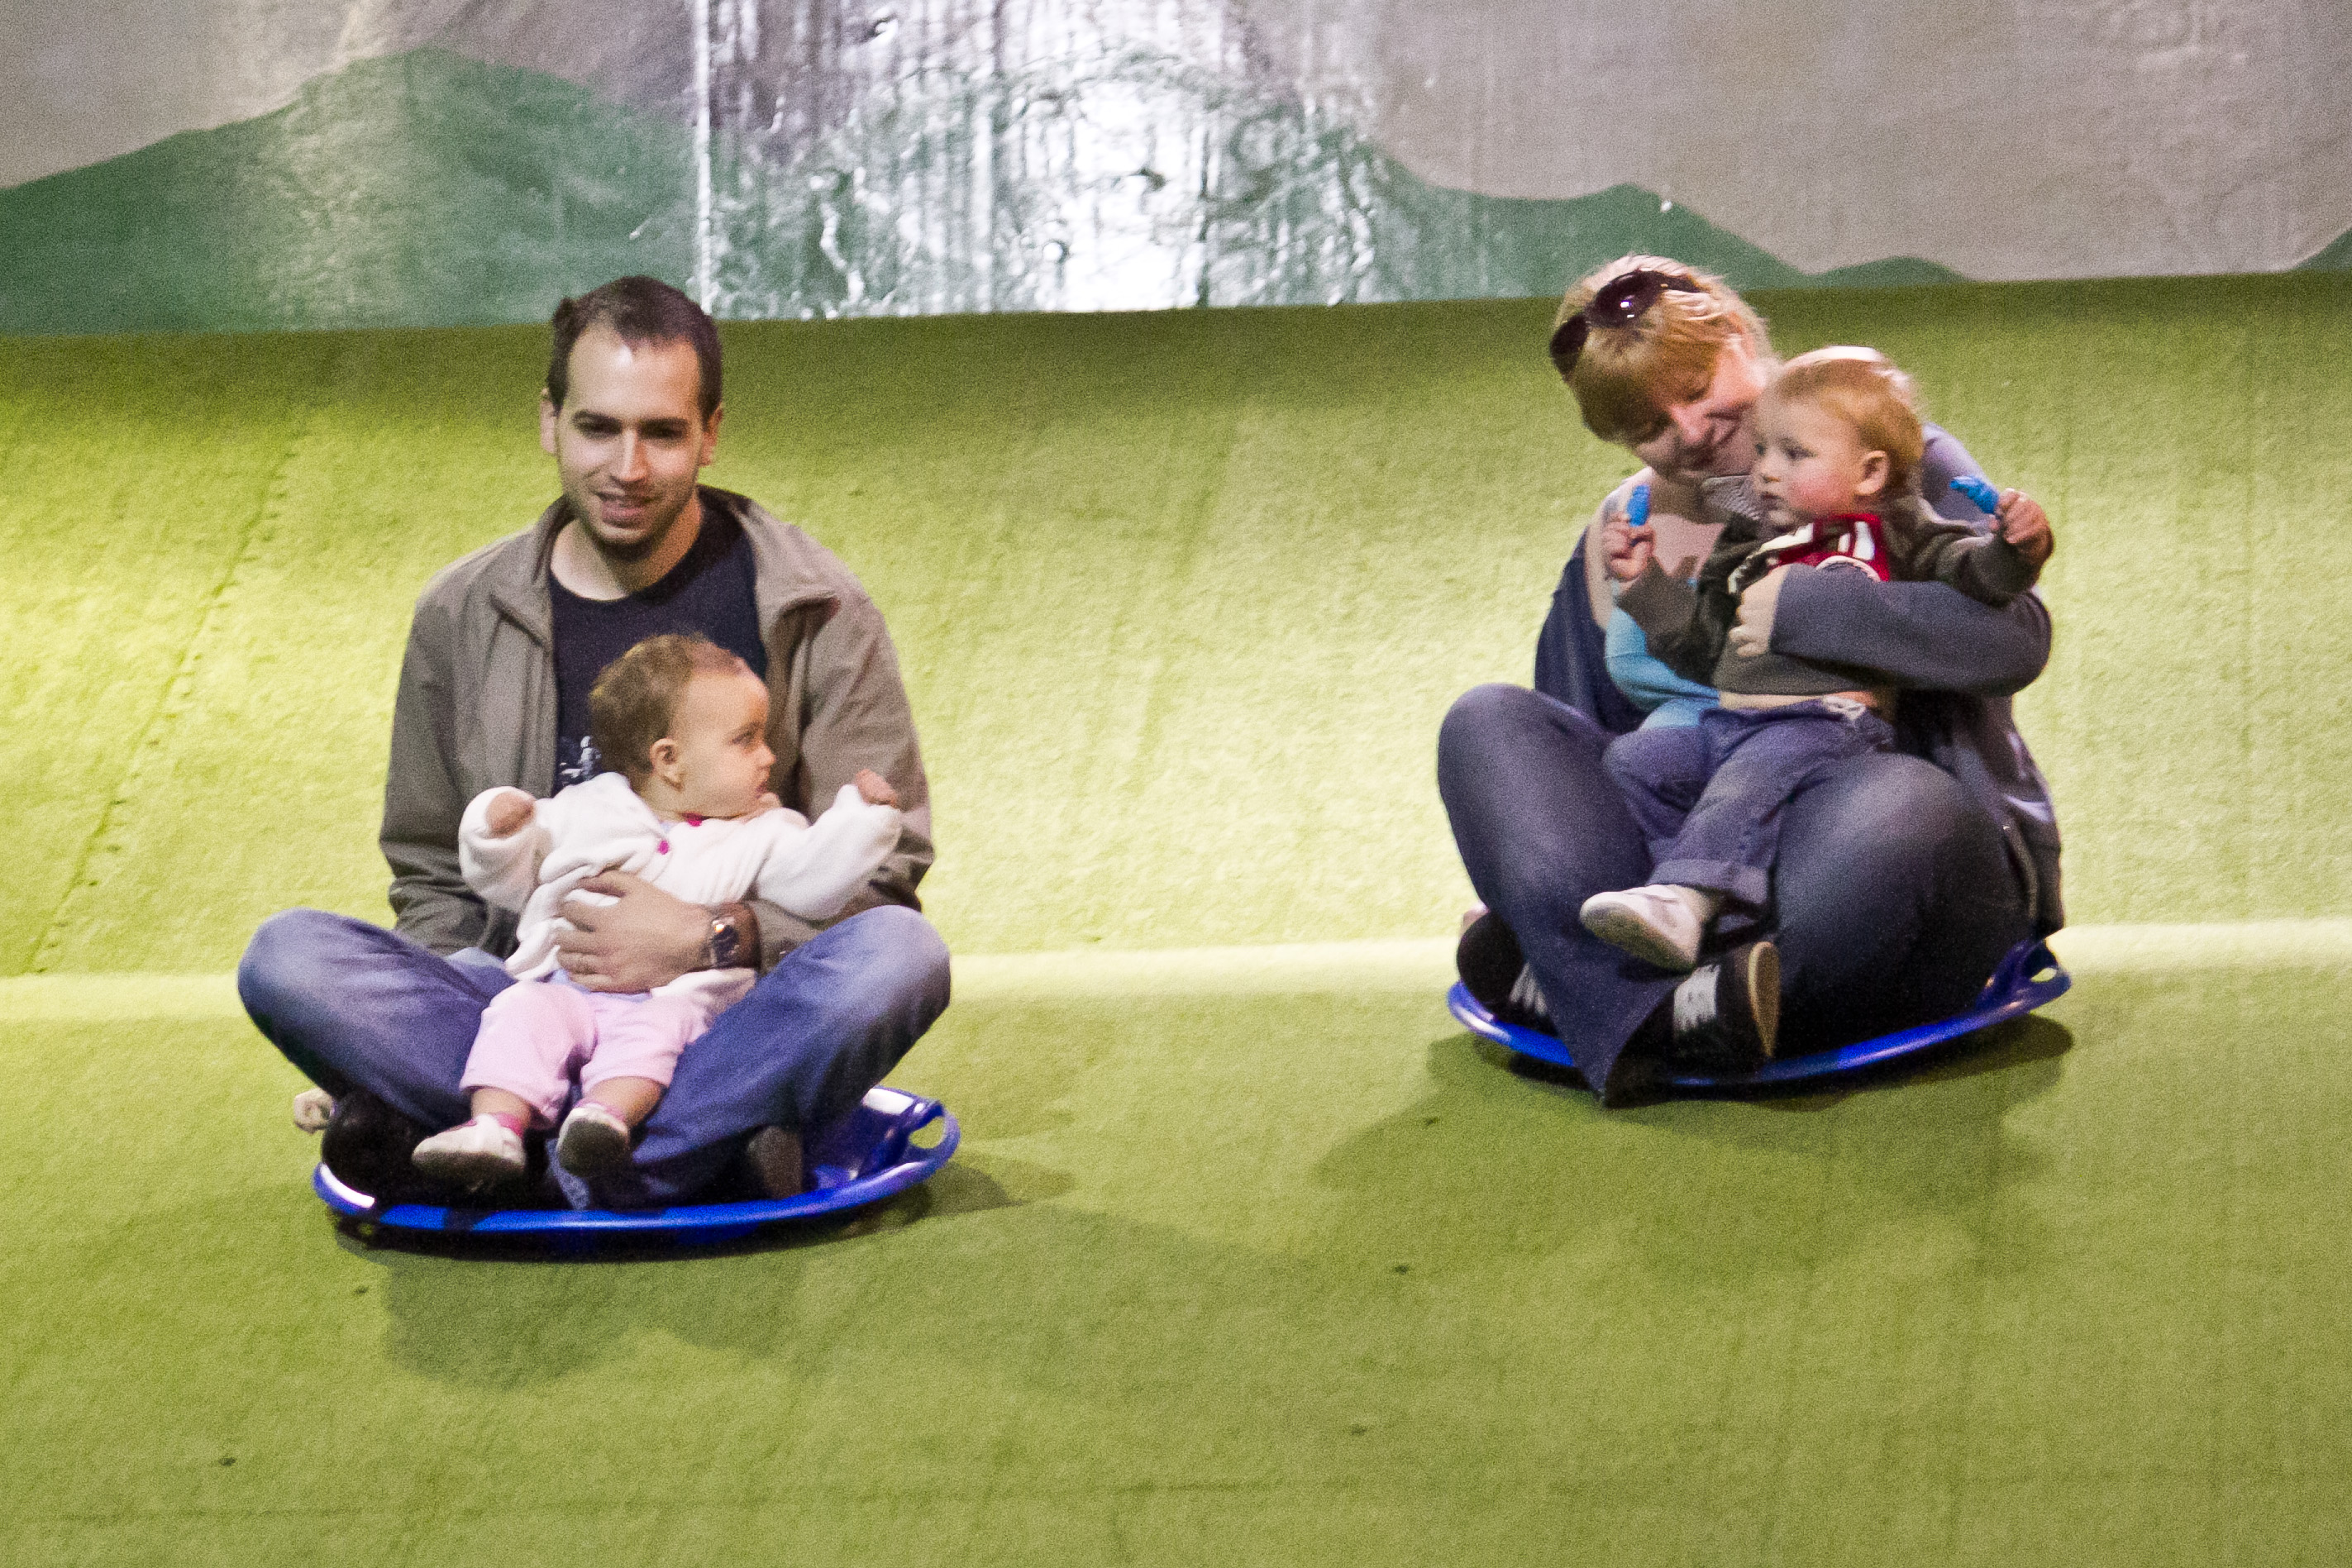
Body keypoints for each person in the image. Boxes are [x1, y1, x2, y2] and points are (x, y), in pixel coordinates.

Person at [241, 274, 951, 1208]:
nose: (628, 466)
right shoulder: (461, 612)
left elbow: (882, 874)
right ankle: (685, 1152)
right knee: (287, 957)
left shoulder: (815, 605)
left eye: (662, 432)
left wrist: (713, 936)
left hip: (720, 1009)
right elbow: (432, 871)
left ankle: (522, 1154)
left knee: (901, 957)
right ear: (549, 421)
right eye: (597, 428)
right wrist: (474, 999)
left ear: (710, 432)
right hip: (527, 994)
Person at [1438, 256, 2061, 1101]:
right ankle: (1686, 1010)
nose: (1688, 430)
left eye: (1696, 389)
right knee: (1486, 721)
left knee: (1900, 807)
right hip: (1677, 872)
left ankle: (1587, 998)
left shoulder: (1879, 455)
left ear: (1737, 335)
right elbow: (1574, 765)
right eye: (1647, 425)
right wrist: (1532, 883)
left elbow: (2013, 639)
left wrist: (1810, 610)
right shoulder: (1627, 526)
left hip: (1854, 856)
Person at [1579, 348, 2054, 999]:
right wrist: (1644, 588)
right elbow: (1708, 649)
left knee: (1751, 775)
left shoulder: (1895, 525)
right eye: (1763, 451)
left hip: (1826, 728)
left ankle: (1686, 901)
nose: (1766, 471)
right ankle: (1666, 916)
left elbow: (1980, 583)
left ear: (1869, 472)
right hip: (1730, 727)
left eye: (1793, 455)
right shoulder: (1747, 546)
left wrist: (2014, 549)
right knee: (1635, 763)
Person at [413, 633, 905, 1188]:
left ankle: (602, 1124)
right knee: (517, 1010)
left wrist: (863, 822)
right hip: (562, 989)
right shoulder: (583, 808)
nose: (769, 755)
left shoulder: (765, 829)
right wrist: (496, 829)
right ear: (668, 759)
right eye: (746, 740)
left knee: (663, 1030)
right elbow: (505, 877)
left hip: (676, 1006)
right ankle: (494, 1129)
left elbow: (814, 881)